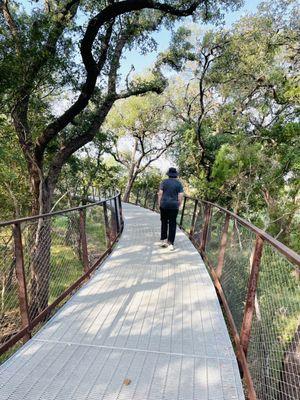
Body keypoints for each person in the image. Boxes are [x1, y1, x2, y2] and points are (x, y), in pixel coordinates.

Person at [157, 167, 184, 251]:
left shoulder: (164, 182)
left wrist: (159, 203)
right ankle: (170, 244)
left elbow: (160, 193)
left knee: (164, 222)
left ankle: (163, 240)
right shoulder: (179, 184)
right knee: (172, 224)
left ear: (168, 175)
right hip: (174, 206)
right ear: (175, 175)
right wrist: (179, 204)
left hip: (164, 205)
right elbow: (180, 196)